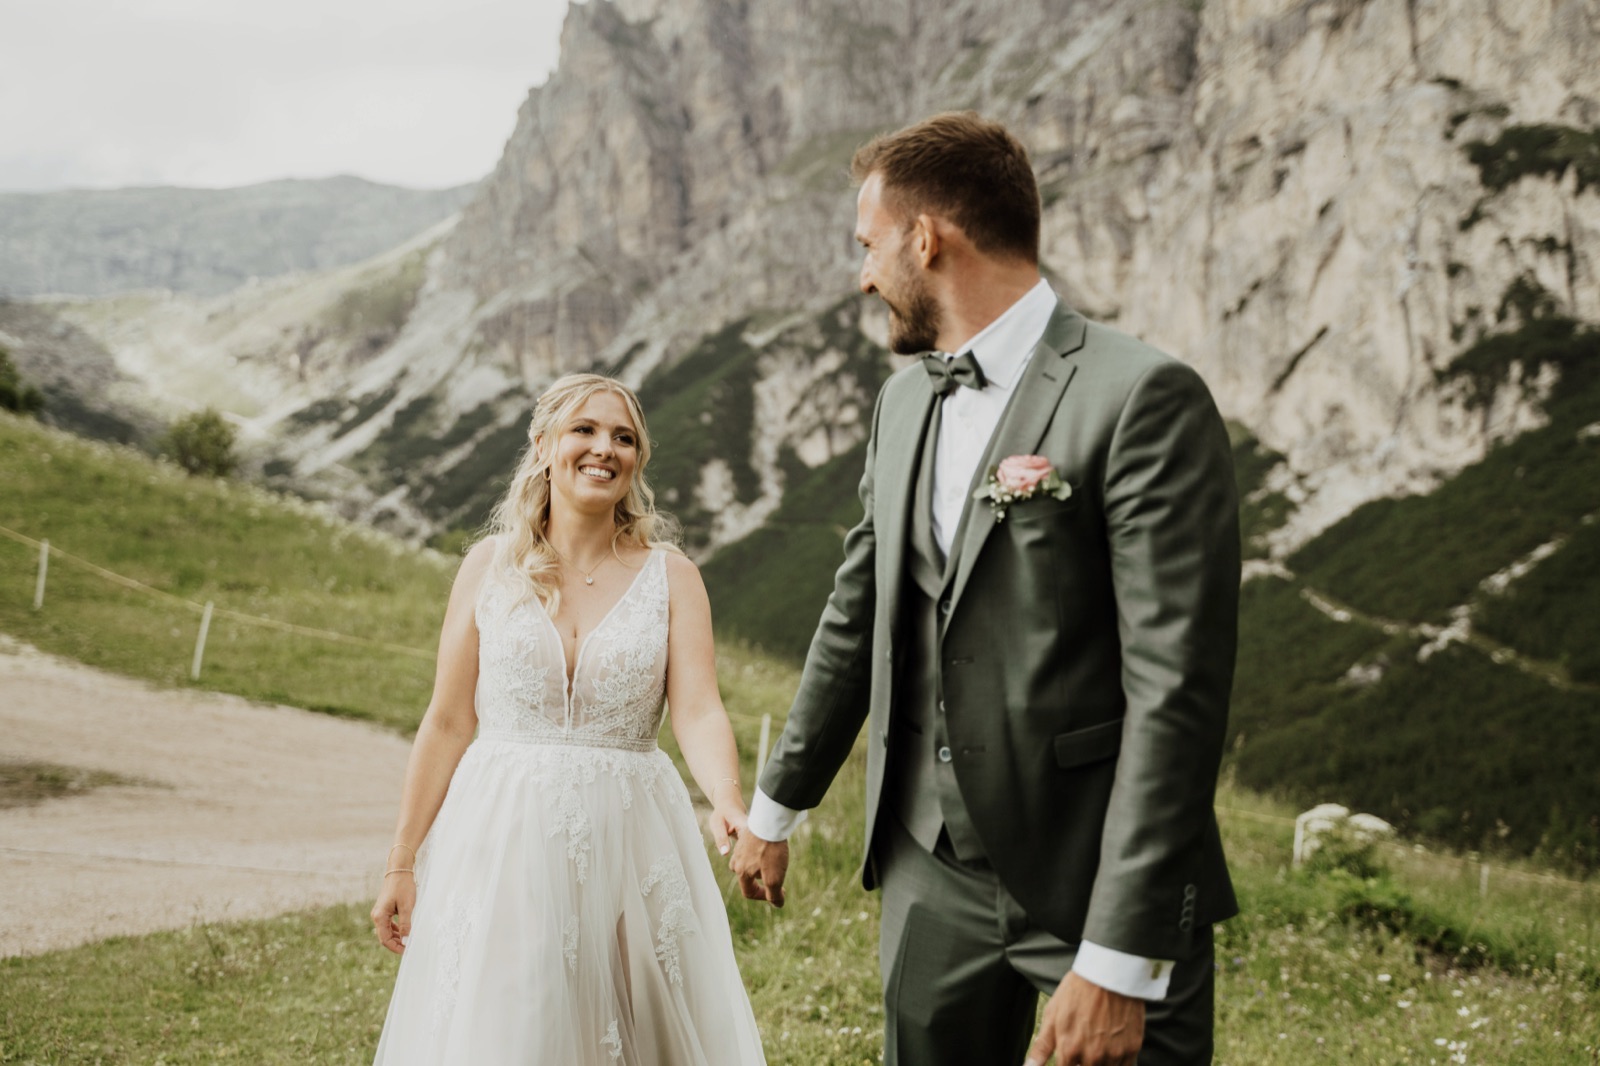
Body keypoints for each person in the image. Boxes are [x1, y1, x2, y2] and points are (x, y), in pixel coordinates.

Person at [730, 112, 1241, 1066]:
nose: (864, 275)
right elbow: (859, 610)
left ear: (927, 239)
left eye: (870, 245)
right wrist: (775, 810)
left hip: (1092, 872)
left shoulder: (1142, 396)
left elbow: (1178, 691)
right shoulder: (902, 399)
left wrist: (1123, 956)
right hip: (931, 872)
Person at [369, 373, 765, 1065]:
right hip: (502, 836)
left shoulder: (672, 577)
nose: (604, 449)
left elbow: (698, 709)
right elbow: (447, 722)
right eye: (585, 429)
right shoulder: (488, 567)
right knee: (511, 1026)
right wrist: (400, 863)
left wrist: (729, 799)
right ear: (545, 443)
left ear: (638, 459)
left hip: (631, 836)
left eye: (624, 437)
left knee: (637, 1026)